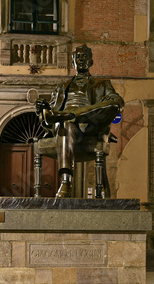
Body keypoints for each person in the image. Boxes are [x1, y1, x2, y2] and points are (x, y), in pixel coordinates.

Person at [35, 44, 124, 198]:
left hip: (89, 125)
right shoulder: (61, 87)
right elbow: (48, 120)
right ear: (73, 62)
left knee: (113, 103)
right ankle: (66, 181)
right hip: (65, 126)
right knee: (65, 124)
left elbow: (117, 102)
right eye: (78, 57)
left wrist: (81, 112)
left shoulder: (102, 84)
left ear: (91, 62)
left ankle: (71, 114)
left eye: (85, 57)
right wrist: (42, 110)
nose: (81, 60)